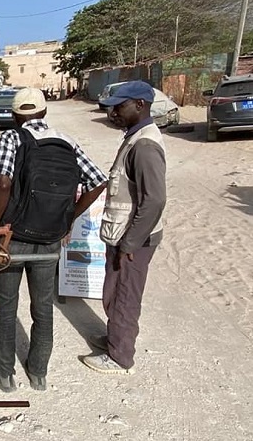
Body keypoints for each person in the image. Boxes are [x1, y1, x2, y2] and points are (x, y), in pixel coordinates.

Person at [0, 87, 107, 392]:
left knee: (7, 307)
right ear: (44, 112)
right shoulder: (67, 140)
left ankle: (4, 372)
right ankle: (38, 372)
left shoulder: (12, 138)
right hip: (51, 235)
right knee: (43, 307)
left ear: (14, 115)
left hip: (13, 236)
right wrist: (68, 220)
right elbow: (98, 181)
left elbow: (2, 181)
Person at [82, 80, 166, 375]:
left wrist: (130, 243)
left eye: (119, 107)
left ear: (140, 105)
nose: (112, 113)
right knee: (114, 291)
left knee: (124, 295)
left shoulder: (144, 145)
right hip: (125, 236)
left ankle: (120, 357)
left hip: (133, 240)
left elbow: (154, 200)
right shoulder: (134, 137)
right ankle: (115, 339)